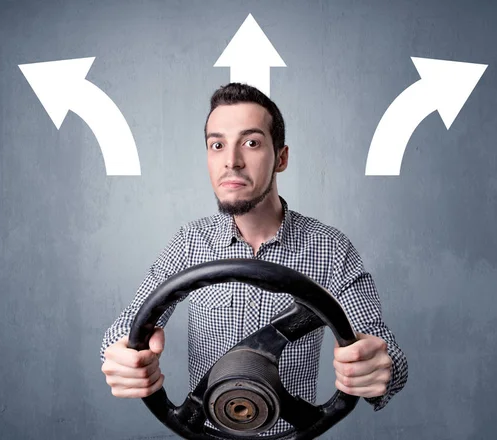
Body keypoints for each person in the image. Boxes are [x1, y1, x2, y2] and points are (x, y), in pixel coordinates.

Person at [100, 82, 408, 436]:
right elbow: (124, 329)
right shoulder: (189, 242)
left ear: (281, 157)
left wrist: (377, 368)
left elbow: (388, 355)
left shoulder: (331, 248)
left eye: (251, 142)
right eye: (217, 145)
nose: (231, 161)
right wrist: (124, 355)